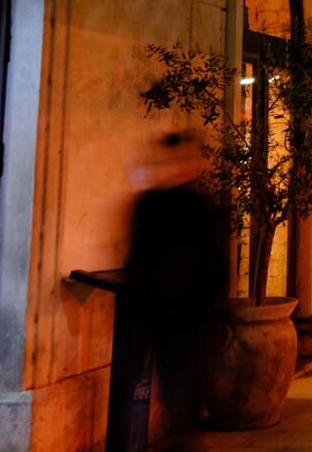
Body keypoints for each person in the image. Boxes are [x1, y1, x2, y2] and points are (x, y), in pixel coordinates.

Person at [126, 130, 228, 452]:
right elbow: (137, 260)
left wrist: (212, 313)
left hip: (189, 319)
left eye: (185, 158)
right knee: (171, 391)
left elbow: (214, 265)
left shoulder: (200, 206)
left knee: (184, 395)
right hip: (156, 317)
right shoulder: (148, 204)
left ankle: (186, 441)